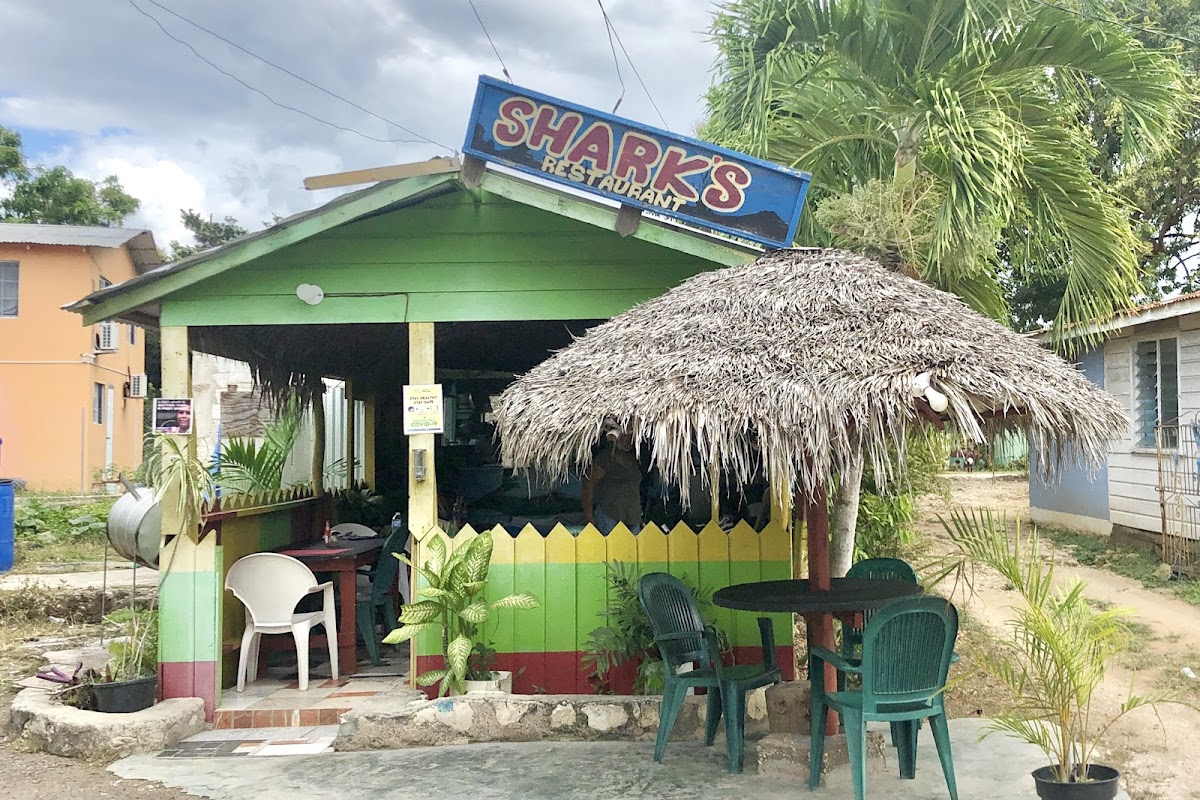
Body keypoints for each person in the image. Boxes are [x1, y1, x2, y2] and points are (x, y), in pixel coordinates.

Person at [582, 431, 643, 533]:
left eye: (630, 437)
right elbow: (587, 485)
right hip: (610, 515)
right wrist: (589, 516)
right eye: (623, 437)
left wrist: (640, 518)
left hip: (633, 518)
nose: (627, 440)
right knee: (609, 548)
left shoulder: (635, 459)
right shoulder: (606, 458)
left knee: (633, 549)